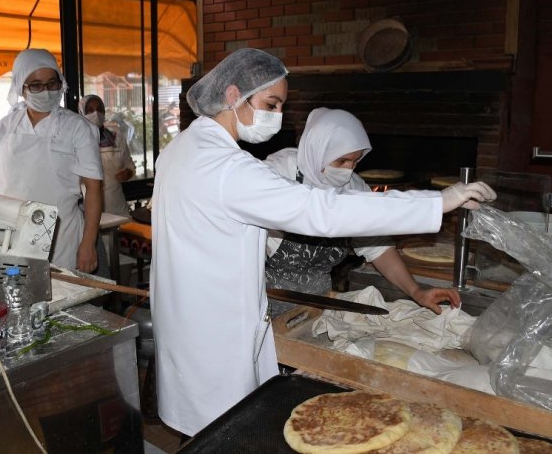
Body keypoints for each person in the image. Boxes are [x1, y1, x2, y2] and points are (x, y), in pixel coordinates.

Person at [150, 47, 496, 438]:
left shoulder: (182, 149)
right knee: (228, 433)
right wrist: (439, 201)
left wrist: (415, 288)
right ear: (233, 96)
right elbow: (322, 211)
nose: (276, 116)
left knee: (206, 432)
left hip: (190, 325)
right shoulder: (231, 169)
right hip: (218, 335)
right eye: (271, 103)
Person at [264, 107, 460, 315]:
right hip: (264, 300)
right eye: (341, 161)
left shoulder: (354, 187)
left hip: (317, 304)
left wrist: (417, 291)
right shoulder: (278, 173)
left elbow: (378, 248)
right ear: (318, 149)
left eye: (355, 161)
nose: (348, 169)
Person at [0, 49, 103, 273]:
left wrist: (88, 244)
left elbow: (94, 189)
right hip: (13, 239)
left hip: (63, 239)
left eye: (52, 84)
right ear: (21, 88)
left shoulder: (77, 128)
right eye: (36, 85)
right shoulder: (4, 129)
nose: (46, 92)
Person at [79, 94, 136, 217]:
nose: (96, 113)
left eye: (99, 109)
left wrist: (128, 173)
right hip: (88, 208)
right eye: (90, 110)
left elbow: (130, 164)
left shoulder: (117, 138)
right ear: (82, 113)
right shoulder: (74, 143)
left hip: (116, 206)